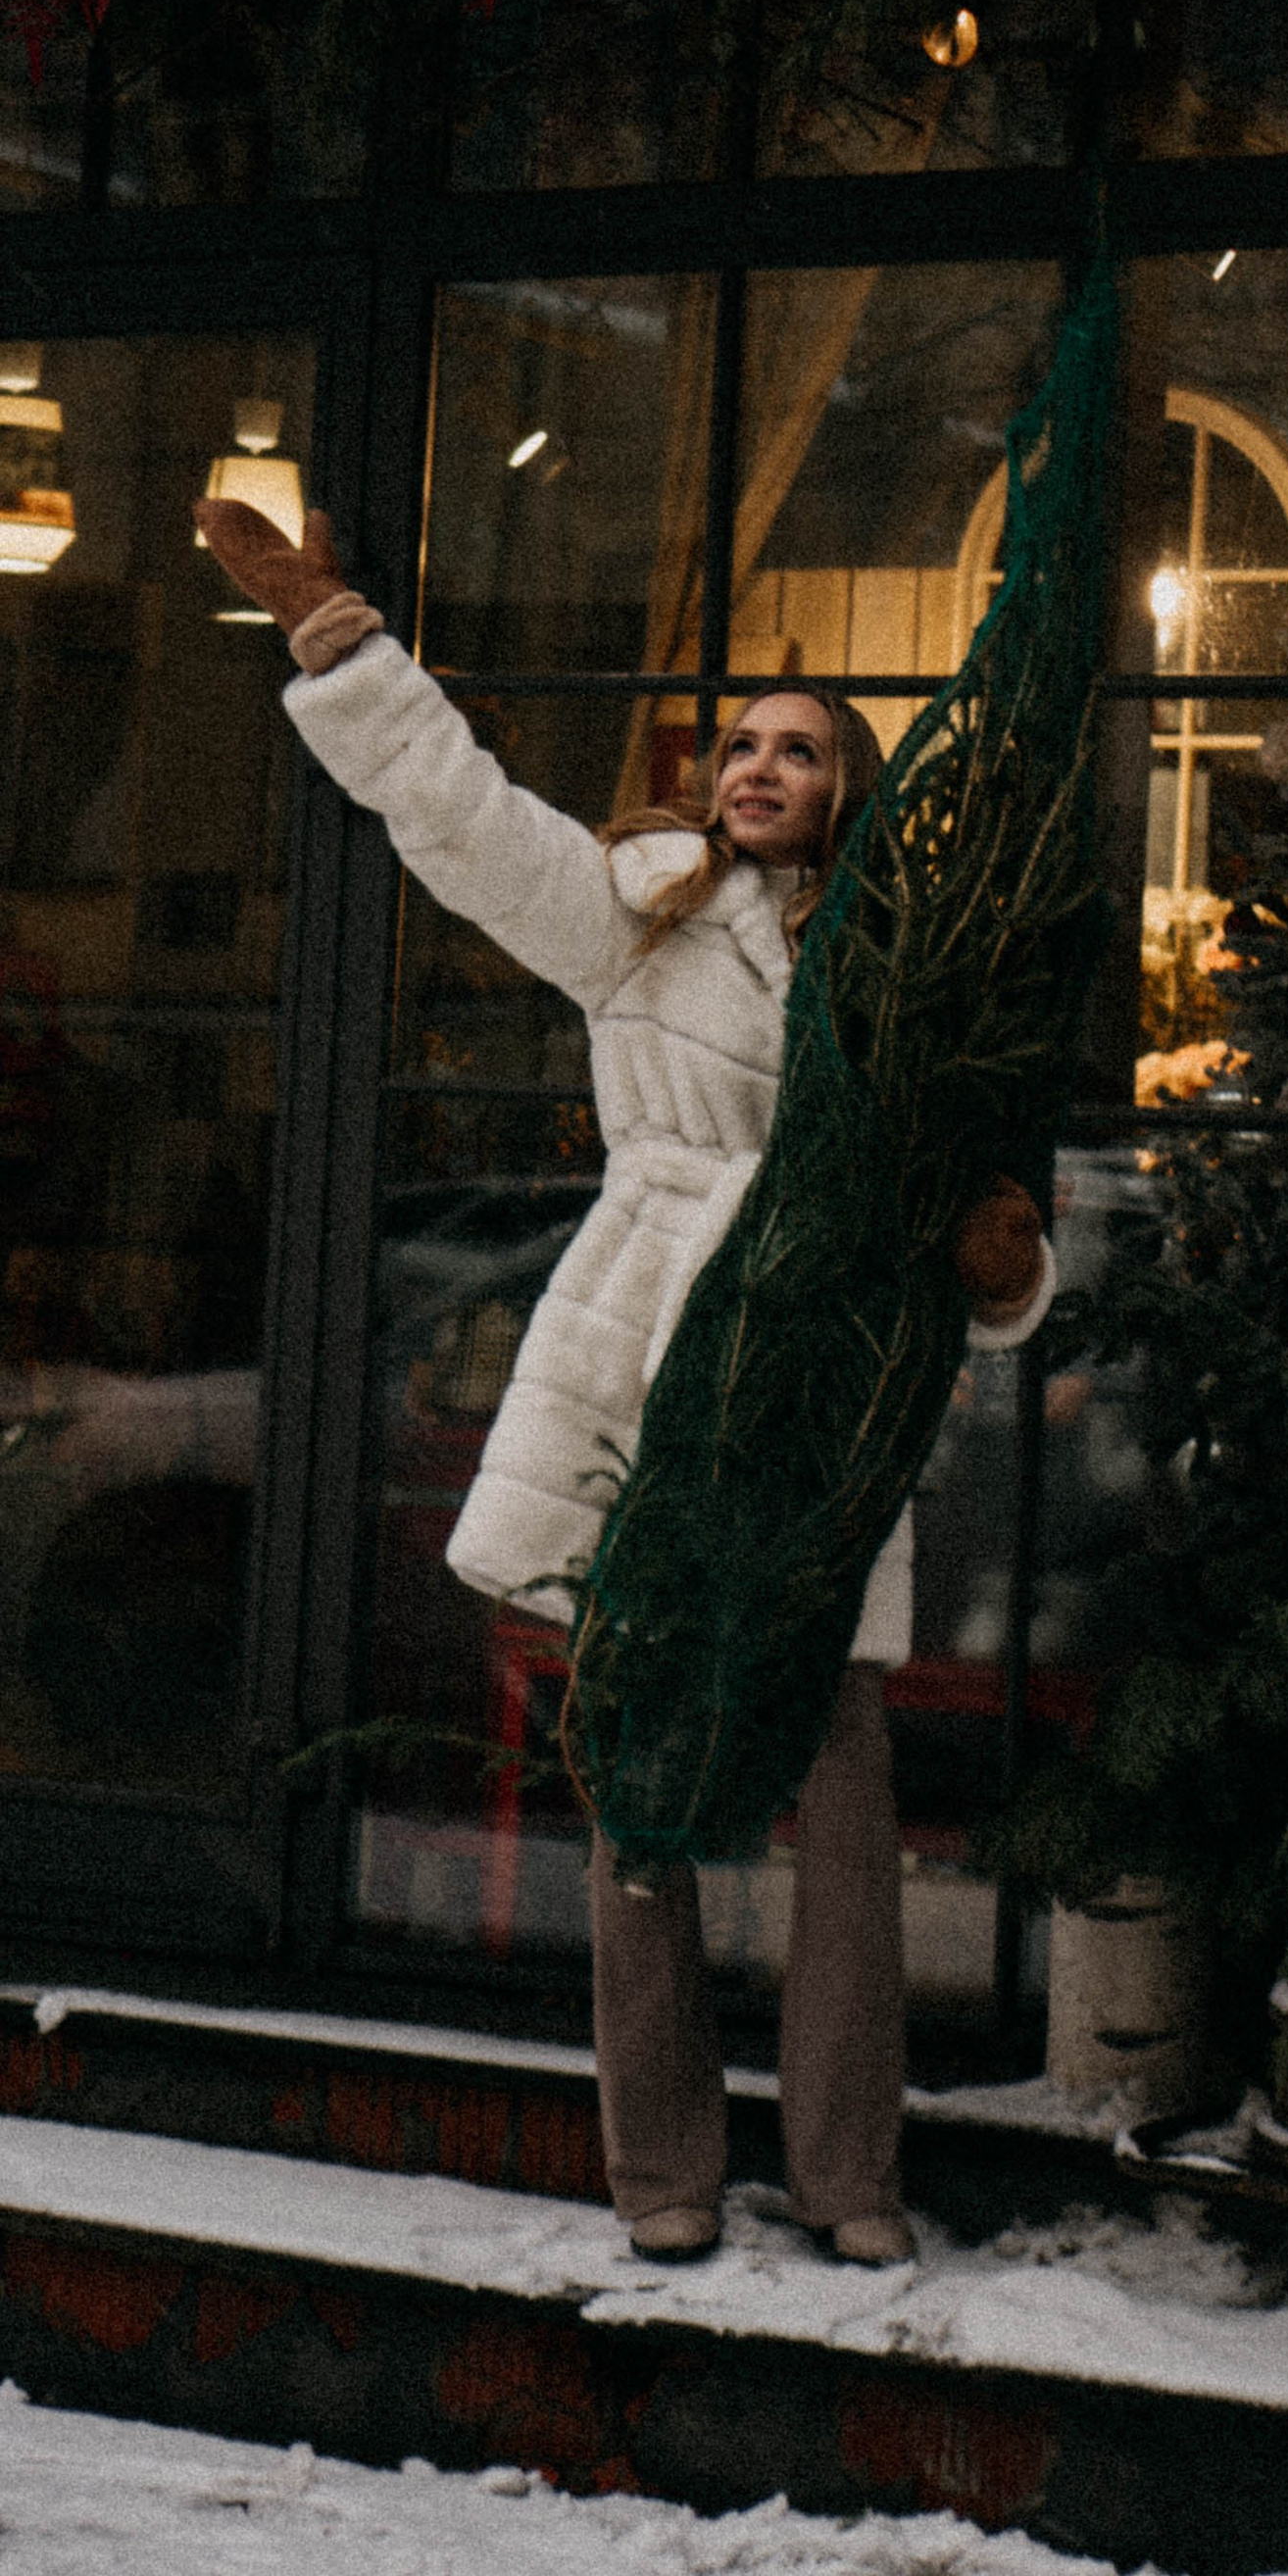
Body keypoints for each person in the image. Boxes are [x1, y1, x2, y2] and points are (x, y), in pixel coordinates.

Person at [196, 493, 1053, 2270]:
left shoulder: (902, 970)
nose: (755, 767)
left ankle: (845, 2174)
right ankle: (659, 2168)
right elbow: (463, 819)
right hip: (654, 1367)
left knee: (842, 1795)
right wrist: (342, 644)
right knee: (638, 1777)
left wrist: (1001, 1266)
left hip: (814, 1407)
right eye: (737, 741)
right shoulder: (643, 917)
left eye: (797, 750)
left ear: (849, 789)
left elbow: (970, 1220)